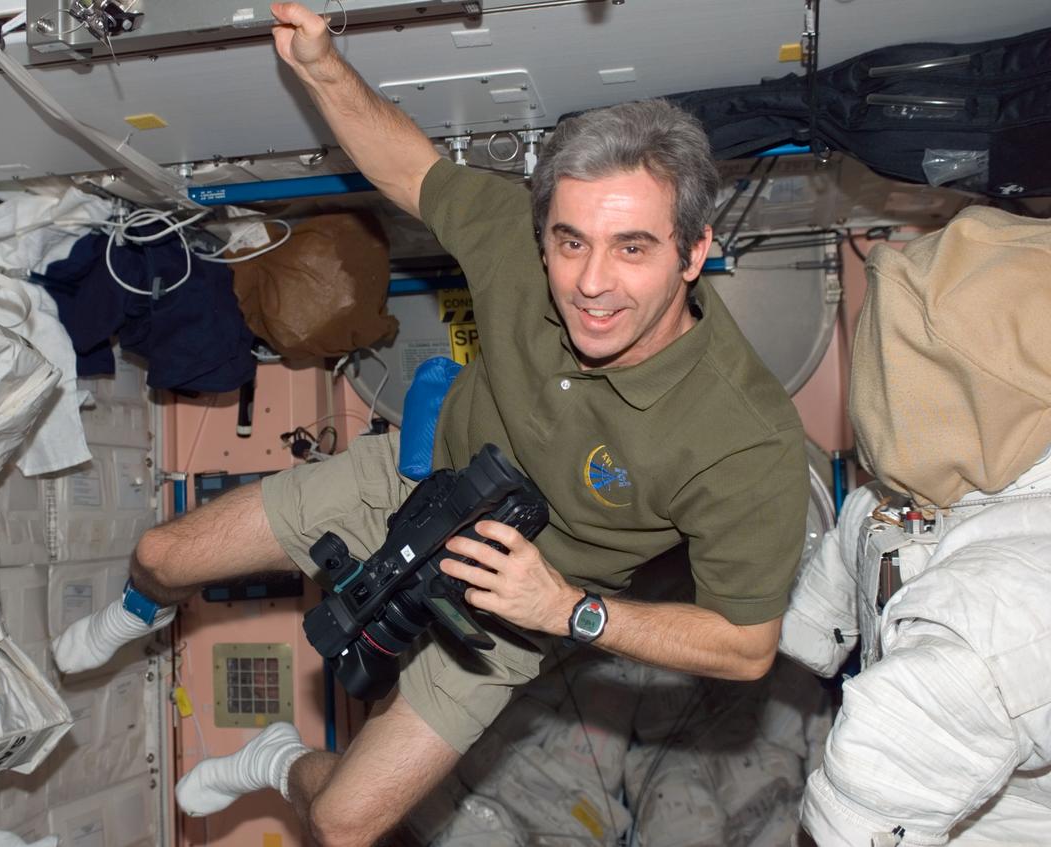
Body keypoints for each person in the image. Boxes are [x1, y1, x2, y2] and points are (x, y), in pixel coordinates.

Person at [52, 3, 809, 843]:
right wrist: (321, 66)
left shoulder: (744, 437)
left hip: (520, 603)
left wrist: (569, 610)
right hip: (415, 486)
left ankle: (272, 757)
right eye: (570, 243)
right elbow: (409, 166)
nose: (592, 283)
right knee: (159, 554)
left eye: (633, 247)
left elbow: (747, 646)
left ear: (694, 251)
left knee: (341, 823)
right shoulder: (520, 250)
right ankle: (139, 610)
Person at [779, 206, 1051, 846]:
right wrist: (814, 634)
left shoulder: (1006, 610)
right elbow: (857, 543)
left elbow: (867, 805)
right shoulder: (895, 502)